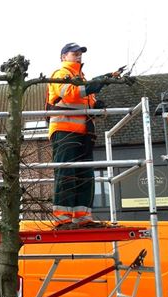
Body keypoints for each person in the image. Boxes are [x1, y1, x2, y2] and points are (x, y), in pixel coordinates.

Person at [46, 42, 121, 228]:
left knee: (85, 175)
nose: (78, 56)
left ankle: (82, 218)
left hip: (84, 133)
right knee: (66, 174)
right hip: (65, 131)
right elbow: (71, 94)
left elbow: (84, 99)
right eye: (74, 53)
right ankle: (62, 219)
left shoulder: (82, 78)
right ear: (63, 57)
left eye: (80, 53)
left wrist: (96, 105)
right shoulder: (61, 74)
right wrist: (97, 83)